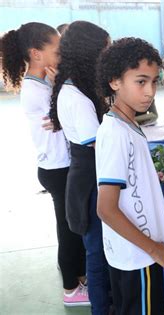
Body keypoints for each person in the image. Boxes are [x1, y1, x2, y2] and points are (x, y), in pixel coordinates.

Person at [1, 22, 88, 306]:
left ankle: (78, 275)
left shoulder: (41, 84)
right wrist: (57, 88)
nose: (61, 52)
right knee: (69, 230)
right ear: (36, 53)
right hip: (57, 168)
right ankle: (71, 290)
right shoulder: (36, 89)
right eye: (56, 48)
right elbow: (63, 119)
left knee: (72, 227)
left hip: (57, 165)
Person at [96, 37, 164, 315]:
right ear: (115, 81)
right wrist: (154, 249)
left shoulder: (126, 123)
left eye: (154, 82)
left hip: (131, 251)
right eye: (141, 82)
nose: (150, 91)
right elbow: (106, 208)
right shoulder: (117, 134)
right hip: (139, 255)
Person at [49, 21, 111, 314]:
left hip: (87, 173)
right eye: (104, 51)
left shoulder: (77, 86)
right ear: (90, 53)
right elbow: (101, 147)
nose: (107, 57)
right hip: (89, 180)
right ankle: (102, 308)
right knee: (97, 256)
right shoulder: (76, 96)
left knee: (98, 252)